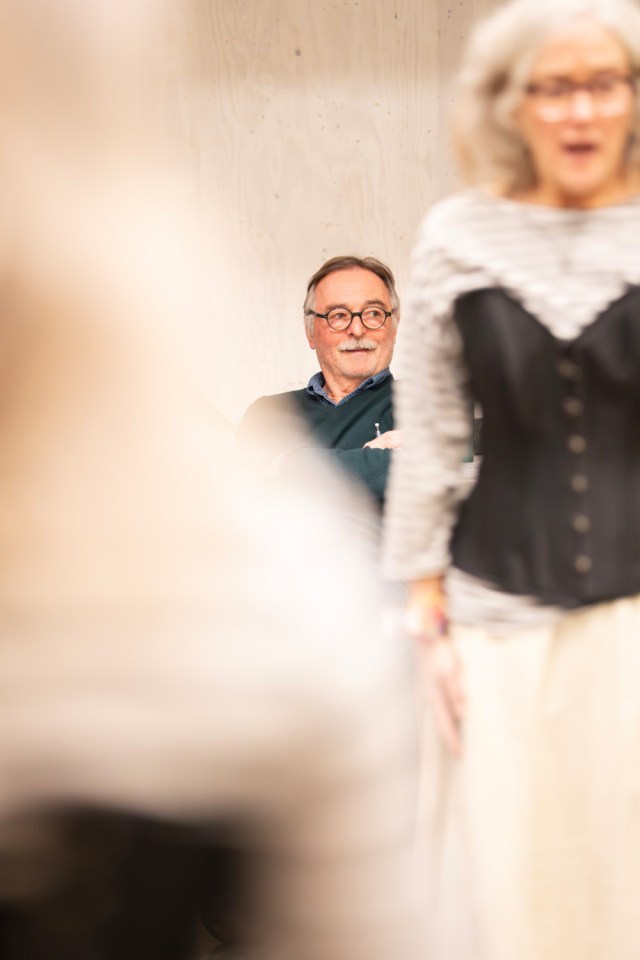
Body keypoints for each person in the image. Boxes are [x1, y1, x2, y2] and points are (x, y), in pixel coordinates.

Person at [382, 0, 640, 958]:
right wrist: (423, 613)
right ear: (511, 104)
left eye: (604, 84)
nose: (580, 112)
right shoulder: (458, 235)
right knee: (511, 882)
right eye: (553, 88)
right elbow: (434, 427)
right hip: (493, 618)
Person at [237, 255, 401, 507]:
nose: (357, 330)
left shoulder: (427, 400)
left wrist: (284, 465)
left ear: (394, 325)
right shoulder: (269, 414)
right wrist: (369, 462)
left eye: (373, 313)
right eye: (338, 315)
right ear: (310, 332)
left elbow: (418, 473)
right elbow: (239, 497)